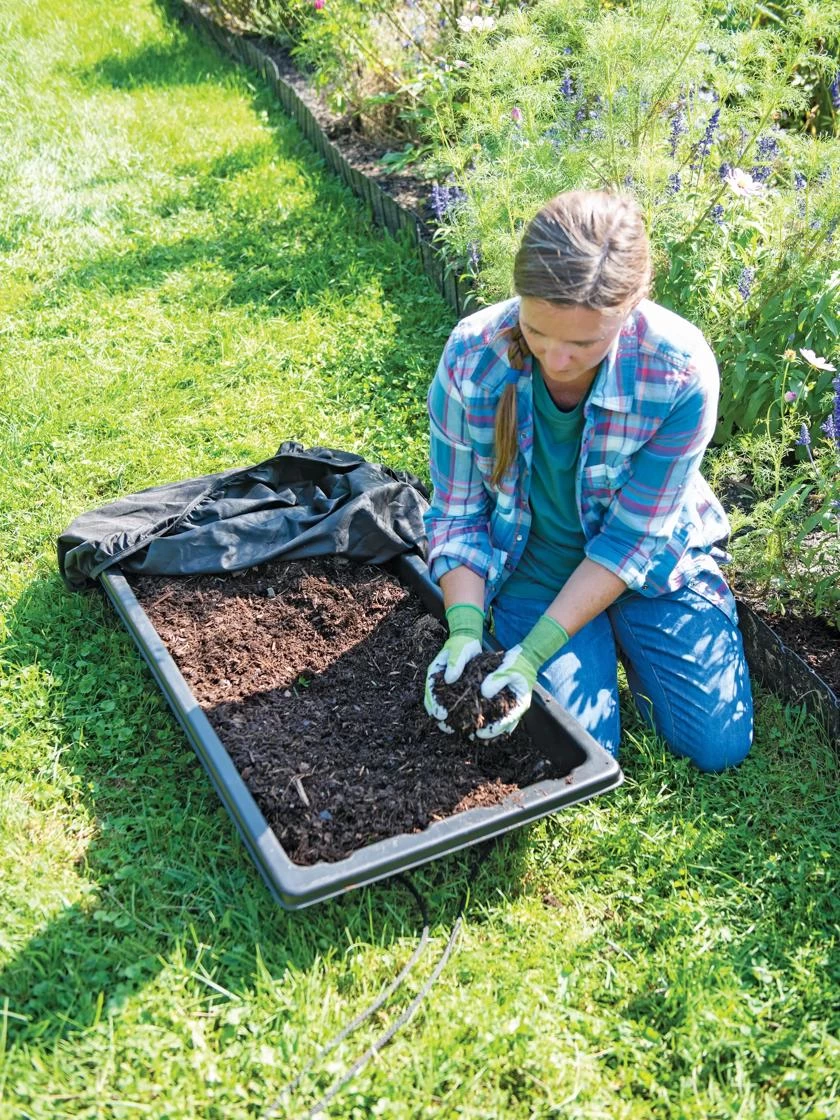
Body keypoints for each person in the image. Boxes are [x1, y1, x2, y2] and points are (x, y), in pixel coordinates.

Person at [422, 189, 753, 772]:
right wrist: (464, 630)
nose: (556, 359)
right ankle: (588, 632)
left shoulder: (677, 371)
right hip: (534, 565)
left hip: (650, 562)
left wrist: (535, 655)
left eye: (583, 342)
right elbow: (457, 515)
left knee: (716, 746)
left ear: (630, 311)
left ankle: (623, 621)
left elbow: (633, 540)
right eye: (538, 332)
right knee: (584, 752)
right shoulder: (471, 358)